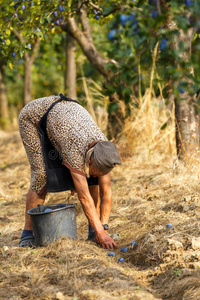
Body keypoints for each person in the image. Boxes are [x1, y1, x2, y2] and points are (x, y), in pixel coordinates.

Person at [18, 94, 122, 249]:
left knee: (92, 181)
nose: (94, 175)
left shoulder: (104, 152)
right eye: (93, 170)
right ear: (89, 160)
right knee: (42, 176)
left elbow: (106, 192)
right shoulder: (76, 151)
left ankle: (93, 231)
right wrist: (102, 234)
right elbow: (84, 197)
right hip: (35, 117)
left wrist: (103, 227)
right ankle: (27, 233)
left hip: (64, 120)